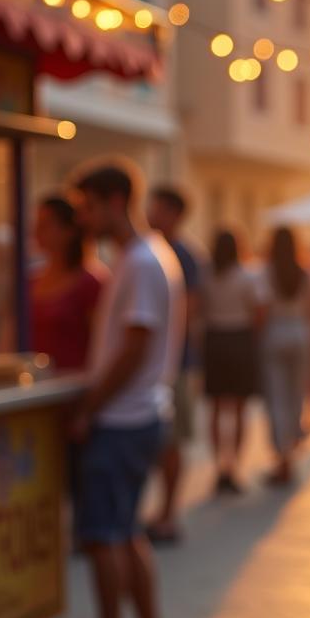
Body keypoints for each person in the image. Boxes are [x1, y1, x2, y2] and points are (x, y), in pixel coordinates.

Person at [55, 162, 183, 618]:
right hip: (139, 413)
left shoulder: (139, 263)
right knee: (126, 533)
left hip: (123, 418)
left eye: (87, 207)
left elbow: (134, 345)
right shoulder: (149, 257)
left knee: (105, 536)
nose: (83, 219)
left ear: (112, 202)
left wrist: (89, 406)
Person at [144, 185, 202, 542]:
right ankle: (161, 510)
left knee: (172, 441)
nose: (150, 212)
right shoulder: (154, 250)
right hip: (161, 364)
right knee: (160, 442)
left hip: (175, 364)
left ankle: (168, 512)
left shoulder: (184, 255)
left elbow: (189, 311)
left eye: (156, 207)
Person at [202, 228, 261, 493]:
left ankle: (218, 465)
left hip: (214, 339)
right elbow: (258, 311)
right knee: (238, 408)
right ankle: (233, 464)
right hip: (239, 339)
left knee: (215, 408)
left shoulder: (207, 277)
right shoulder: (246, 276)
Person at [260, 226, 310, 484]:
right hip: (300, 331)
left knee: (277, 397)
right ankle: (291, 451)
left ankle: (281, 454)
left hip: (275, 332)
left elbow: (261, 309)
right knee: (295, 395)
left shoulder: (266, 272)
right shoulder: (304, 271)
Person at [30, 194, 103, 370]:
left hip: (71, 386)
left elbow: (100, 344)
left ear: (69, 230)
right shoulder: (30, 281)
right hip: (33, 387)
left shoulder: (90, 284)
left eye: (46, 224)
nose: (37, 231)